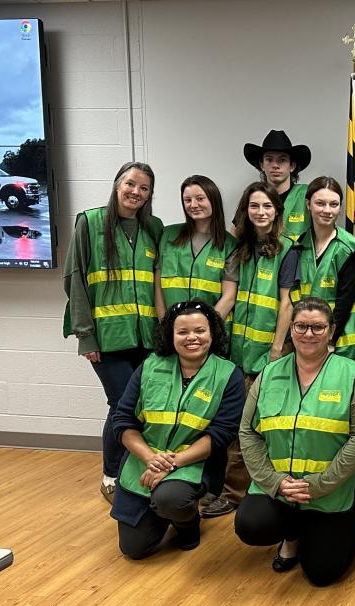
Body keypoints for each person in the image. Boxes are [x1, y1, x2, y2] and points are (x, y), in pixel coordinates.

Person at [234, 297, 355, 586]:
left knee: (321, 572)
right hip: (281, 486)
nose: (308, 334)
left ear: (331, 330)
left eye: (317, 327)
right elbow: (248, 431)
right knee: (251, 525)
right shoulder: (269, 374)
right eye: (301, 326)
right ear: (290, 329)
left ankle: (353, 524)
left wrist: (320, 483)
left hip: (335, 488)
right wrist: (274, 481)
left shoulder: (351, 375)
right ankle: (294, 534)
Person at [62, 161, 164, 503]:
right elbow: (74, 277)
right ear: (117, 184)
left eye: (144, 188)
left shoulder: (154, 227)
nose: (136, 192)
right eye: (130, 184)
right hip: (106, 339)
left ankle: (137, 471)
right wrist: (84, 334)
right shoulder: (90, 222)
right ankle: (111, 473)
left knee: (142, 406)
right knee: (121, 404)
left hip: (146, 337)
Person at [111, 300, 244, 559]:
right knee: (134, 549)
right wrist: (151, 459)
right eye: (182, 332)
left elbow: (221, 434)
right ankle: (161, 510)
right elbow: (123, 421)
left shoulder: (229, 374)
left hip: (194, 465)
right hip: (145, 462)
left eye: (200, 331)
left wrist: (171, 464)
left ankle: (187, 523)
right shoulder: (150, 366)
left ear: (212, 333)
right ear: (170, 336)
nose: (192, 338)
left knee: (171, 499)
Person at [201, 182, 298, 519]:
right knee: (235, 425)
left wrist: (276, 349)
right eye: (254, 206)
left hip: (268, 356)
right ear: (245, 212)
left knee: (259, 426)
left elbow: (287, 303)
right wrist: (204, 330)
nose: (261, 212)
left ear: (277, 212)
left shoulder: (288, 251)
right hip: (235, 355)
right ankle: (234, 492)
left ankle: (246, 492)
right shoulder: (237, 250)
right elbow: (227, 298)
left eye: (267, 206)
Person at [289, 176, 355, 363]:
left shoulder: (349, 247)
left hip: (339, 341)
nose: (327, 210)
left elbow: (346, 299)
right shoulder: (299, 244)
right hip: (309, 338)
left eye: (334, 204)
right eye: (320, 203)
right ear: (308, 205)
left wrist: (329, 340)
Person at [154, 175, 237, 322]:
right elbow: (158, 288)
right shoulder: (168, 235)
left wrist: (204, 329)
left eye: (200, 198)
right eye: (187, 200)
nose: (193, 205)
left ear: (213, 200)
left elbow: (229, 297)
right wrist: (165, 326)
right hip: (172, 330)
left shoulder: (229, 244)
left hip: (210, 333)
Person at [242, 129, 312, 242]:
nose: (275, 165)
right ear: (262, 165)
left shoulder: (307, 195)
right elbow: (237, 233)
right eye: (269, 159)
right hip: (259, 257)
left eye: (282, 160)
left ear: (292, 166)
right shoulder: (252, 196)